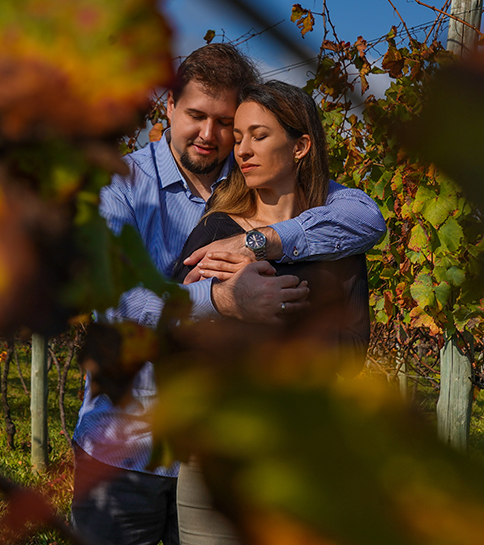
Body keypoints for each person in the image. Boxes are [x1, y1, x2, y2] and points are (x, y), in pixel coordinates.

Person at [71, 44, 384, 545]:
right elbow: (115, 303)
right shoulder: (119, 185)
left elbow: (365, 218)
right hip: (127, 450)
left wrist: (262, 239)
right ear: (168, 107)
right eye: (197, 116)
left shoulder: (253, 182)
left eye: (229, 124)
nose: (212, 136)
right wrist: (221, 300)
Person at [169, 80, 370, 544]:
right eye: (238, 138)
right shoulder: (217, 230)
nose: (242, 150)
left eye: (259, 136)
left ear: (300, 146)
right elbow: (177, 334)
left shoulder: (338, 241)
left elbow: (353, 352)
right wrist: (228, 306)